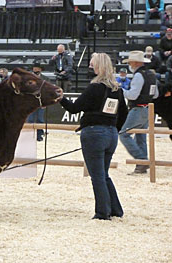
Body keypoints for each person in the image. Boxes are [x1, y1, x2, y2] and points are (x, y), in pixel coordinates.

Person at [60, 53, 128, 220]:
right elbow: (124, 114)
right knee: (104, 174)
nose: (90, 68)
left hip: (94, 133)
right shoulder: (116, 89)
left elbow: (75, 108)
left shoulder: (94, 88)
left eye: (92, 65)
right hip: (111, 134)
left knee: (97, 175)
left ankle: (102, 213)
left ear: (99, 67)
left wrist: (61, 98)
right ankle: (115, 209)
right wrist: (113, 129)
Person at [119, 51, 159, 174]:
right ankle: (141, 166)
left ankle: (141, 160)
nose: (130, 64)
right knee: (141, 137)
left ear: (135, 63)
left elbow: (132, 95)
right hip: (148, 109)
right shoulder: (151, 75)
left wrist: (119, 90)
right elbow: (156, 94)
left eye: (130, 62)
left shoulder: (138, 75)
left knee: (123, 134)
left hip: (138, 109)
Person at [27, 62, 50, 141]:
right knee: (30, 119)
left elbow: (47, 91)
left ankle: (39, 134)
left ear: (40, 69)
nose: (35, 69)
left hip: (41, 102)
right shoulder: (28, 79)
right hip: (31, 102)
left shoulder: (46, 79)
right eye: (34, 68)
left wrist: (46, 102)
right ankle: (29, 134)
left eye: (37, 68)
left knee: (40, 119)